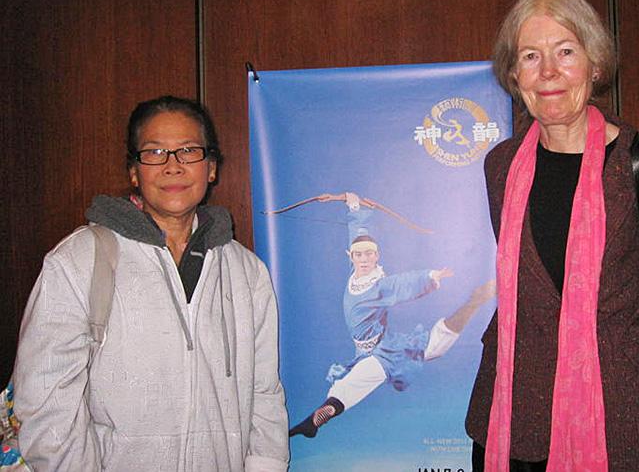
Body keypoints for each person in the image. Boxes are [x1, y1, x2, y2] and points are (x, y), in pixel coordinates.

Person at [465, 0, 639, 472]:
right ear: (514, 75)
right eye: (531, 56)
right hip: (513, 416)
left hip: (620, 421)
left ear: (594, 65)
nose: (548, 72)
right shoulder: (502, 167)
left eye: (566, 52)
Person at [13, 96, 289, 471]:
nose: (172, 166)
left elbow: (264, 395)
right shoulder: (80, 261)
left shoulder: (247, 272)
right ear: (134, 171)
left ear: (211, 168)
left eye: (188, 151)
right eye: (155, 152)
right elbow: (46, 401)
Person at [290, 192, 494, 438]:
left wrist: (430, 277)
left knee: (428, 350)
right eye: (358, 255)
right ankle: (317, 418)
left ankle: (473, 302)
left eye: (369, 254)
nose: (364, 259)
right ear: (350, 256)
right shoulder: (355, 273)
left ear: (377, 256)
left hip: (382, 350)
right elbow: (357, 231)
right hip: (363, 351)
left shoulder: (380, 285)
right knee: (349, 381)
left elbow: (402, 284)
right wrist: (351, 202)